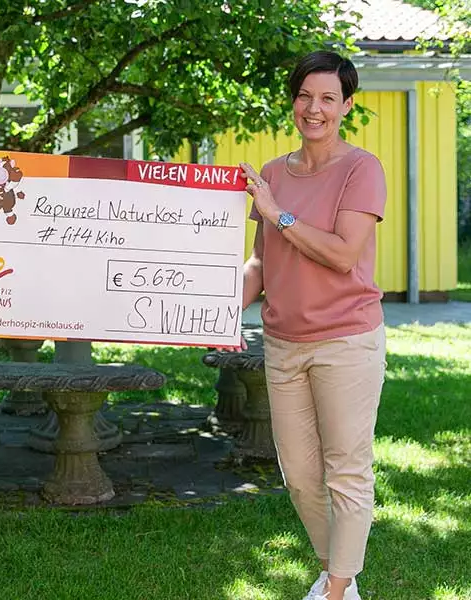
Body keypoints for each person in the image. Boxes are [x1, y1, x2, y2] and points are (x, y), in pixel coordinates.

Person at [239, 50, 387, 600]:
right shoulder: (275, 173)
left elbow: (344, 253)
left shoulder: (361, 168)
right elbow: (261, 262)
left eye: (328, 98)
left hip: (346, 342)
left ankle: (336, 588)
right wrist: (211, 308)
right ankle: (337, 574)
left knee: (345, 470)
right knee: (300, 476)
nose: (314, 108)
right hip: (283, 343)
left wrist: (278, 212)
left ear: (347, 105)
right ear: (293, 102)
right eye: (305, 96)